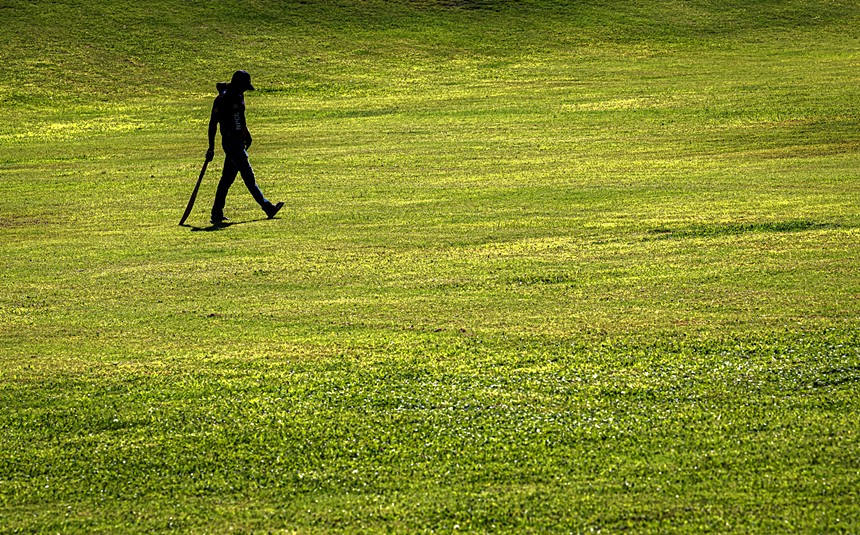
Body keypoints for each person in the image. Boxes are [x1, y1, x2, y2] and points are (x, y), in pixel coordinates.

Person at [206, 70, 283, 224]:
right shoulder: (222, 100)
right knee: (248, 176)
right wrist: (211, 147)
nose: (245, 90)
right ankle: (267, 207)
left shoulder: (239, 95)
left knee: (226, 179)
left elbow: (240, 118)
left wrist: (246, 134)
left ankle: (216, 212)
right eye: (244, 86)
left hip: (239, 143)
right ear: (237, 83)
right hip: (231, 144)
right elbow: (213, 124)